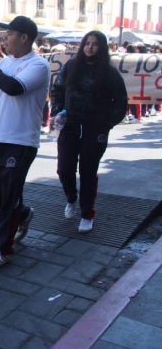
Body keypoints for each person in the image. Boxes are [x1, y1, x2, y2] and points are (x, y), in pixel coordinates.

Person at [0, 16, 50, 268]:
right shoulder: (5, 63)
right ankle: (23, 214)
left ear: (24, 37)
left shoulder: (38, 65)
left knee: (9, 197)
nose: (4, 39)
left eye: (8, 34)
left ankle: (3, 249)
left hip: (21, 141)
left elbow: (14, 88)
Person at [50, 31, 128, 233]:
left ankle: (87, 214)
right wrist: (57, 112)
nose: (90, 47)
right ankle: (71, 198)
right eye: (87, 43)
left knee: (88, 172)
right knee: (64, 169)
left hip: (95, 129)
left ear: (101, 48)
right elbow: (57, 89)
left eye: (94, 44)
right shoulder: (71, 67)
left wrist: (107, 124)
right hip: (70, 125)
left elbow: (120, 102)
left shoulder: (110, 74)